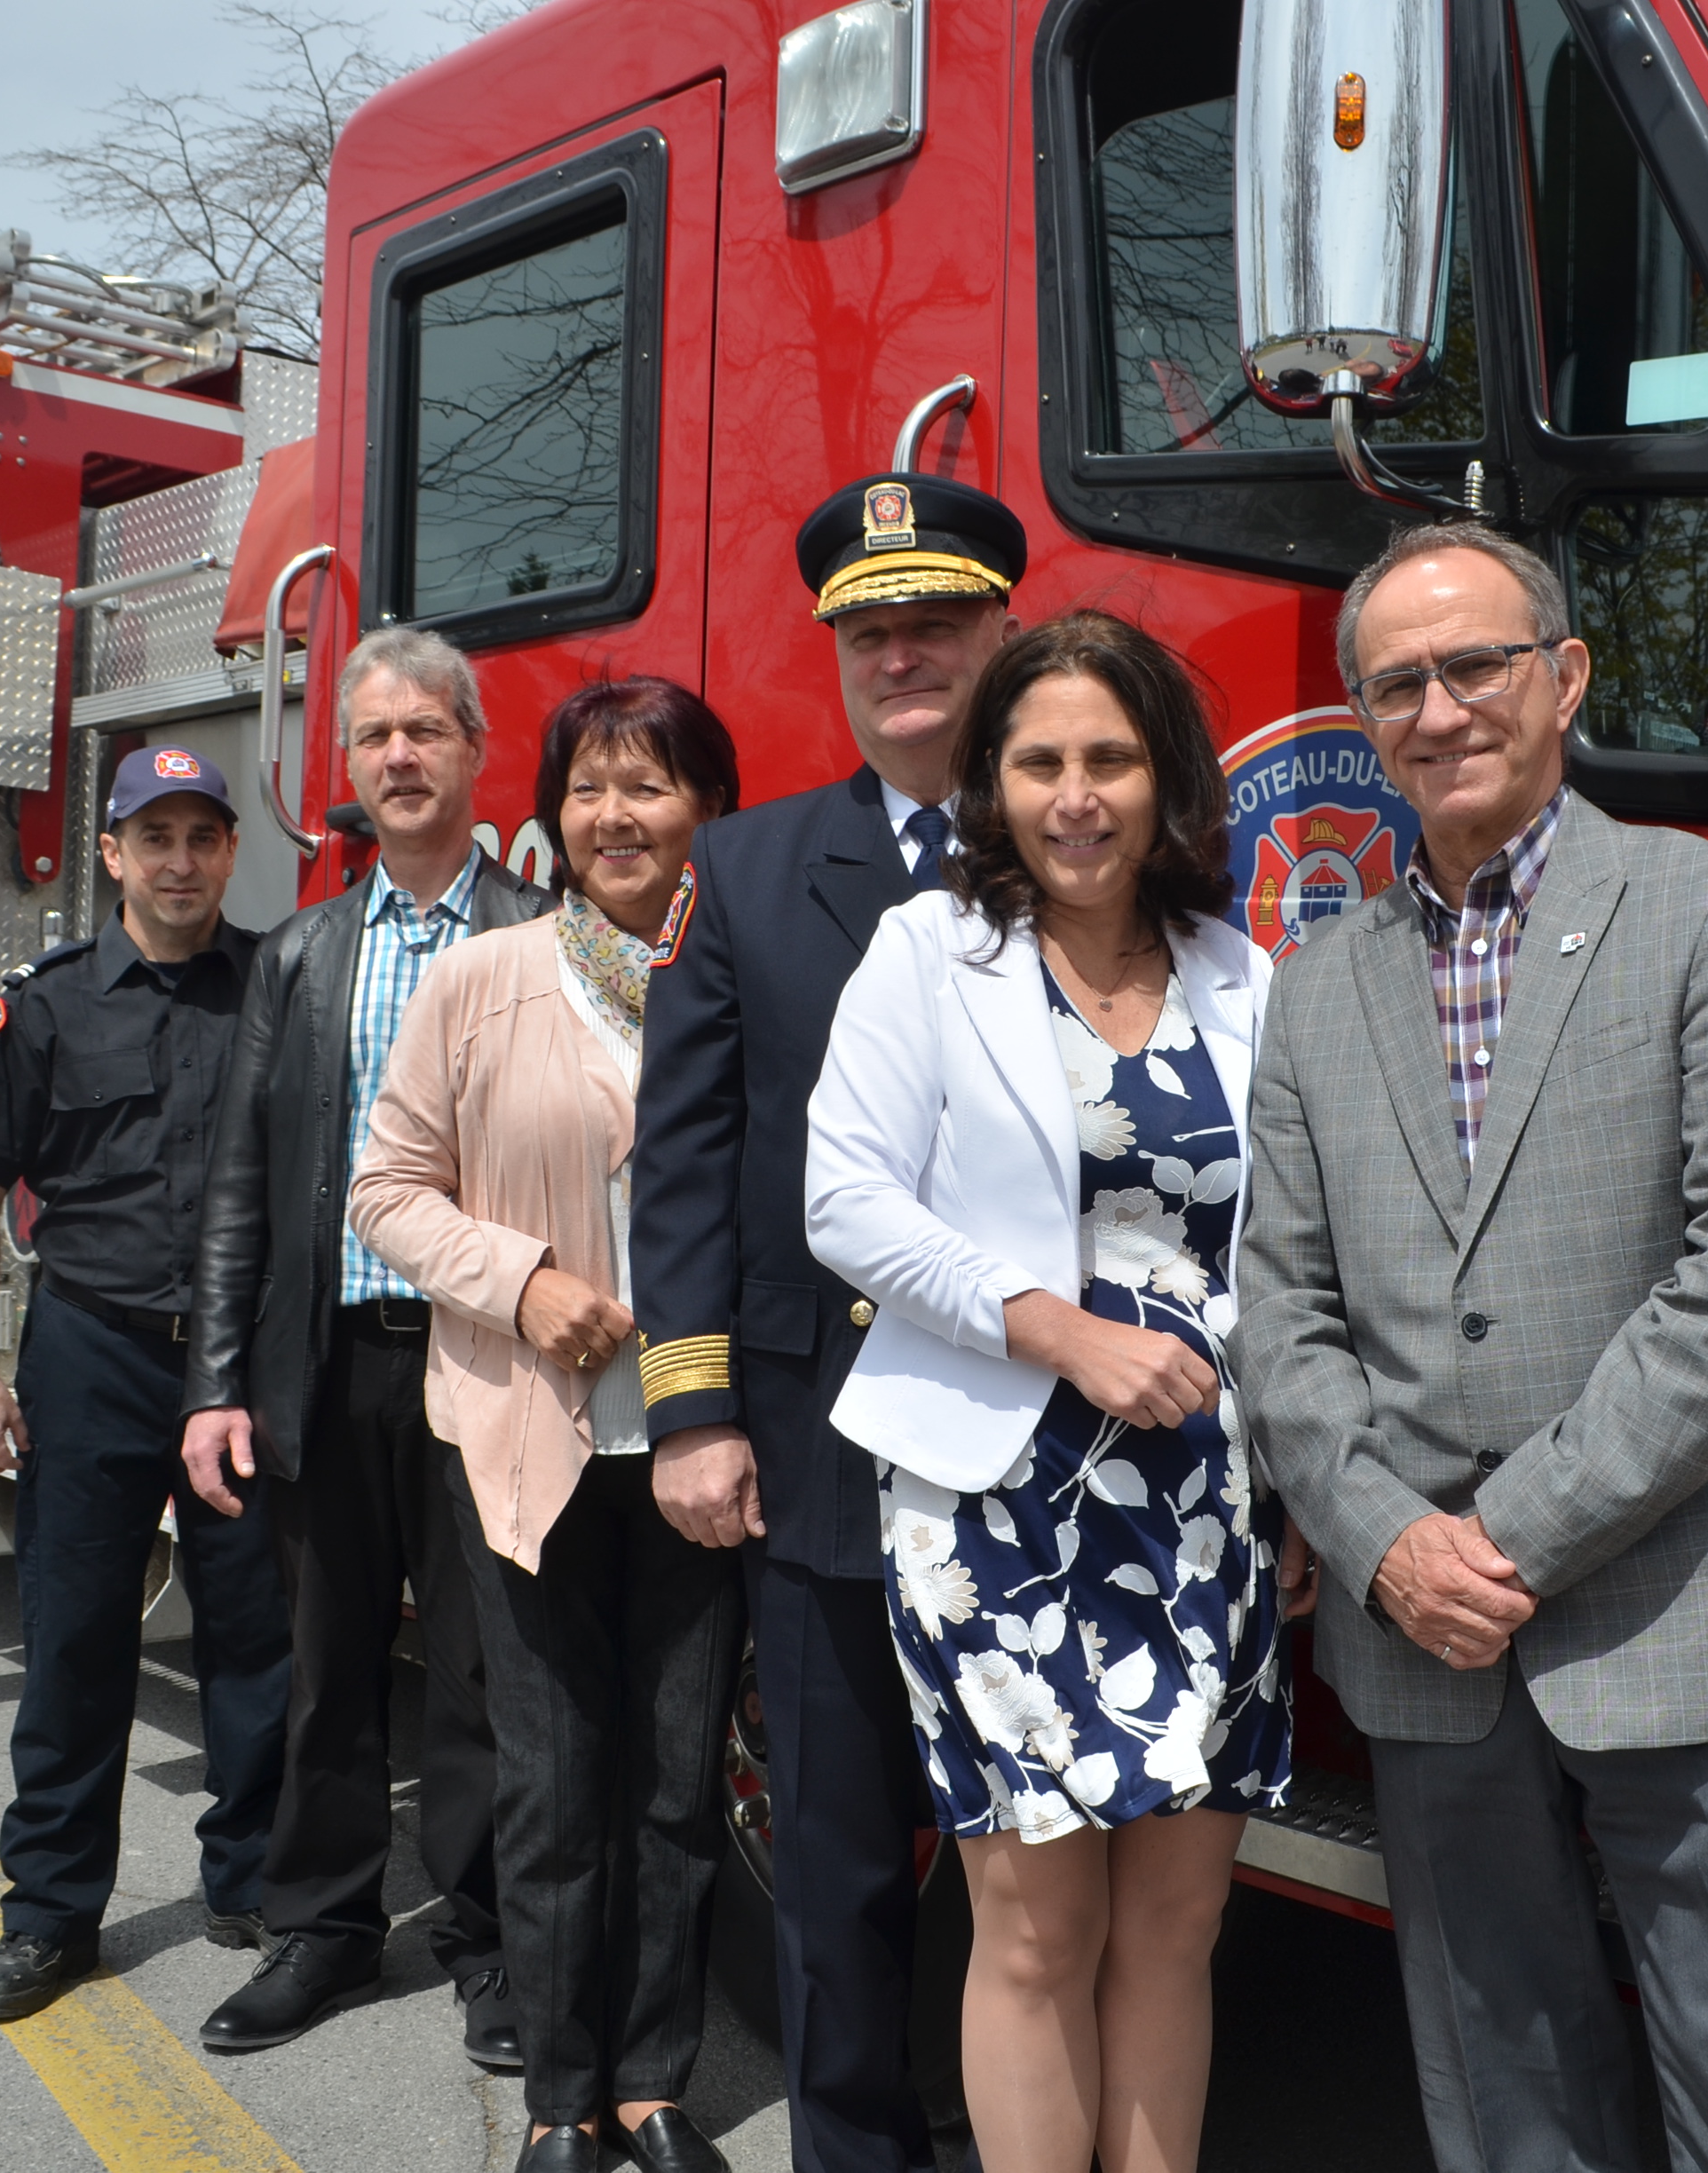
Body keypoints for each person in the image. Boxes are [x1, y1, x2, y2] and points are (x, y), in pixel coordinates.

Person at [1229, 522, 1708, 2173]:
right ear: (1367, 724)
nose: (1439, 710)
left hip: (1680, 1614)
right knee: (1502, 2091)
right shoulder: (1317, 988)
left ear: (1565, 678)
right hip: (1422, 1643)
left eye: (1476, 665)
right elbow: (1281, 1309)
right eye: (1398, 685)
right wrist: (1385, 1546)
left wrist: (1496, 1541)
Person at [804, 612, 1309, 2173]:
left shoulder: (1243, 972)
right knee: (1036, 1932)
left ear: (1167, 781)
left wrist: (1298, 1483)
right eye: (1038, 763)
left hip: (1211, 1507)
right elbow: (845, 1202)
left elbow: (1298, 1245)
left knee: (1176, 1927)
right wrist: (1062, 1333)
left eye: (1110, 759)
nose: (1075, 797)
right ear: (992, 783)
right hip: (1000, 1503)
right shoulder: (929, 952)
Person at [629, 470, 1026, 2173]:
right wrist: (695, 1412)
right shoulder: (747, 866)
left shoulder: (1082, 834)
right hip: (823, 1442)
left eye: (935, 623)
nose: (902, 656)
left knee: (1047, 1863)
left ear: (1003, 634)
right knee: (845, 1863)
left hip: (1045, 1436)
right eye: (871, 633)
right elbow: (686, 1159)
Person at [350, 678, 748, 2173]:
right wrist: (520, 1286)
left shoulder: (747, 972)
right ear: (553, 815)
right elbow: (385, 1190)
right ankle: (560, 2098)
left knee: (678, 1777)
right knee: (552, 1777)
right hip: (528, 1433)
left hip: (706, 1443)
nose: (615, 816)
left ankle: (653, 2084)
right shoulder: (483, 978)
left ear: (707, 807)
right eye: (588, 788)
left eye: (649, 785)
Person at [178, 628, 550, 2061]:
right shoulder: (300, 955)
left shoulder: (545, 932)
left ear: (474, 751)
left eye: (426, 731)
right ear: (350, 765)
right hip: (327, 1369)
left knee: (481, 1674)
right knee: (327, 1667)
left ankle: (489, 1943)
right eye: (376, 736)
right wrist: (217, 1386)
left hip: (488, 1367)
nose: (401, 757)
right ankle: (323, 1932)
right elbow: (239, 1188)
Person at [0, 746, 292, 2024]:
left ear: (231, 852)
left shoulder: (279, 988)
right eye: (155, 838)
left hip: (240, 1362)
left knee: (258, 1635)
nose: (179, 862)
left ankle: (255, 1883)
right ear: (113, 852)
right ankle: (50, 1917)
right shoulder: (49, 1007)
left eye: (202, 837)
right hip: (92, 1352)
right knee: (76, 1640)